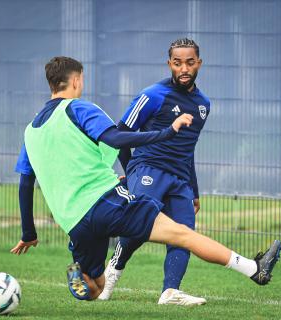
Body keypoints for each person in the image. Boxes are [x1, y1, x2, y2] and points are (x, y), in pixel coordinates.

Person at [10, 56, 281, 302]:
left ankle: (76, 272)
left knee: (94, 288)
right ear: (77, 80)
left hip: (75, 222)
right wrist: (167, 132)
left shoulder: (31, 130)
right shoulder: (79, 108)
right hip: (106, 202)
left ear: (51, 84)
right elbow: (116, 138)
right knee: (183, 234)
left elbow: (25, 183)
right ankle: (253, 269)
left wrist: (29, 233)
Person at [98, 38, 209, 305]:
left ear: (199, 64)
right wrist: (132, 170)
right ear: (169, 63)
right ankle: (111, 273)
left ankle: (170, 292)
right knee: (138, 227)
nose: (184, 68)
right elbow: (120, 136)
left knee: (184, 234)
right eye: (178, 62)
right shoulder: (152, 95)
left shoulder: (204, 104)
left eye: (190, 62)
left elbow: (188, 149)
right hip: (148, 169)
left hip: (180, 180)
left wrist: (194, 189)